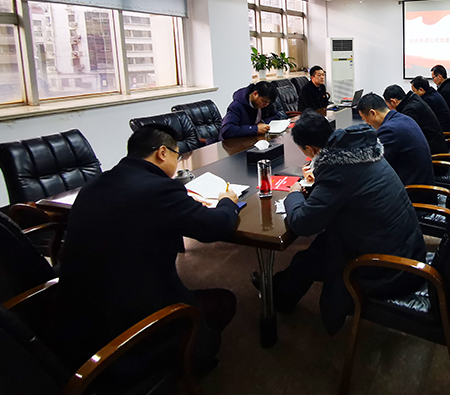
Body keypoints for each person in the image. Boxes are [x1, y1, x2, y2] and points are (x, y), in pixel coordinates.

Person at [57, 124, 242, 374]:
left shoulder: (93, 185)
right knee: (224, 302)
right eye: (177, 156)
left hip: (74, 315)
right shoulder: (159, 189)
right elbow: (215, 228)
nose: (177, 163)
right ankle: (189, 362)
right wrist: (227, 202)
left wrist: (181, 205)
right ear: (162, 152)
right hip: (130, 320)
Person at [271, 111, 426, 335]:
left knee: (310, 258)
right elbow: (351, 189)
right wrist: (320, 183)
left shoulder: (337, 170)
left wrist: (294, 193)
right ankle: (277, 290)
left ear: (310, 150)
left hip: (390, 269)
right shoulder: (363, 151)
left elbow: (302, 224)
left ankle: (277, 297)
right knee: (317, 249)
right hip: (406, 246)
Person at [358, 92, 435, 187]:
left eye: (364, 119)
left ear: (373, 113)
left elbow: (372, 165)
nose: (367, 123)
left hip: (413, 190)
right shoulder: (402, 118)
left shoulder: (389, 130)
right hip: (421, 181)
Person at [383, 84, 448, 154]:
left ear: (393, 102)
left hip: (433, 151)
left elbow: (408, 137)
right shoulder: (413, 99)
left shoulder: (410, 110)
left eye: (387, 106)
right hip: (435, 144)